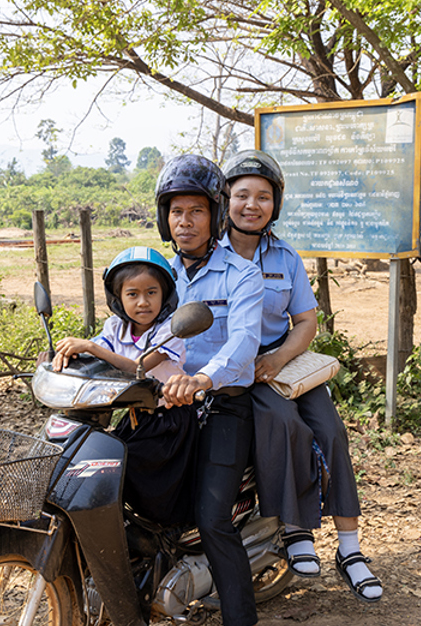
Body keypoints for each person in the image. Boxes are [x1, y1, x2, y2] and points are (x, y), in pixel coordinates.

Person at [220, 149, 383, 603]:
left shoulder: (285, 256)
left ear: (277, 204)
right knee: (285, 426)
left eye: (264, 197)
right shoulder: (209, 255)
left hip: (283, 362)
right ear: (225, 200)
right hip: (238, 369)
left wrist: (278, 360)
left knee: (331, 431)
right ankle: (296, 529)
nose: (252, 205)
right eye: (242, 195)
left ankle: (350, 549)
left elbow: (306, 322)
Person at [156, 154, 264, 626]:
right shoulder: (158, 273)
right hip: (164, 403)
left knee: (212, 516)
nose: (185, 222)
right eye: (176, 212)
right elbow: (129, 322)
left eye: (196, 211)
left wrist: (203, 379)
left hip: (222, 405)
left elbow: (242, 343)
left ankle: (241, 617)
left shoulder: (243, 274)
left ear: (215, 216)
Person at [52, 246, 197, 526]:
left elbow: (137, 368)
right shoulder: (115, 328)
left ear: (166, 295)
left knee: (131, 478)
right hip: (134, 418)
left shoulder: (171, 331)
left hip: (168, 424)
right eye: (132, 294)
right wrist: (67, 354)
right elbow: (93, 355)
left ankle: (160, 535)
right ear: (118, 299)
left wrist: (92, 346)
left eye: (151, 292)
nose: (143, 302)